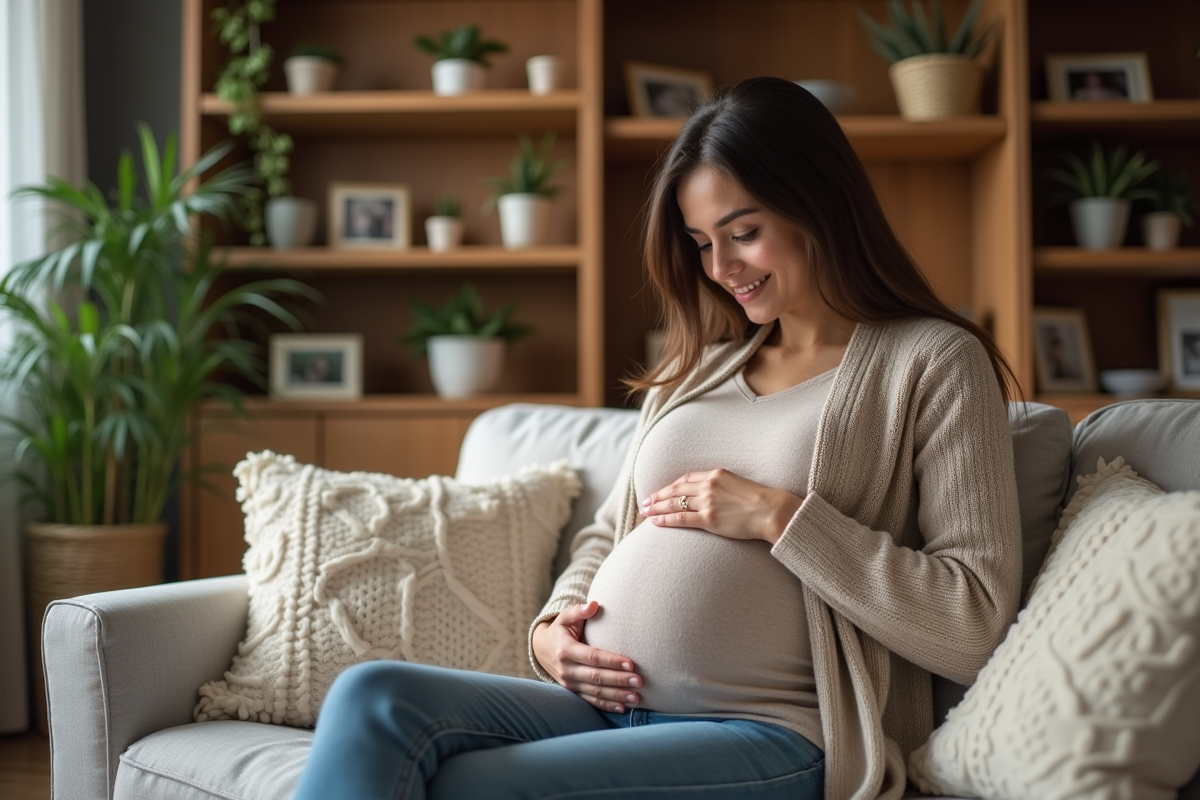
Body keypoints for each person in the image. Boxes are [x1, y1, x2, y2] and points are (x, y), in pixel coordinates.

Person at [292, 76, 1023, 800]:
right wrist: (552, 635)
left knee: (474, 785)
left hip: (772, 732)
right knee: (371, 697)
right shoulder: (700, 369)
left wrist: (777, 516)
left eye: (743, 233)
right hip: (599, 709)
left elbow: (971, 621)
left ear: (821, 204)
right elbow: (607, 537)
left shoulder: (930, 362)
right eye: (702, 242)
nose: (720, 268)